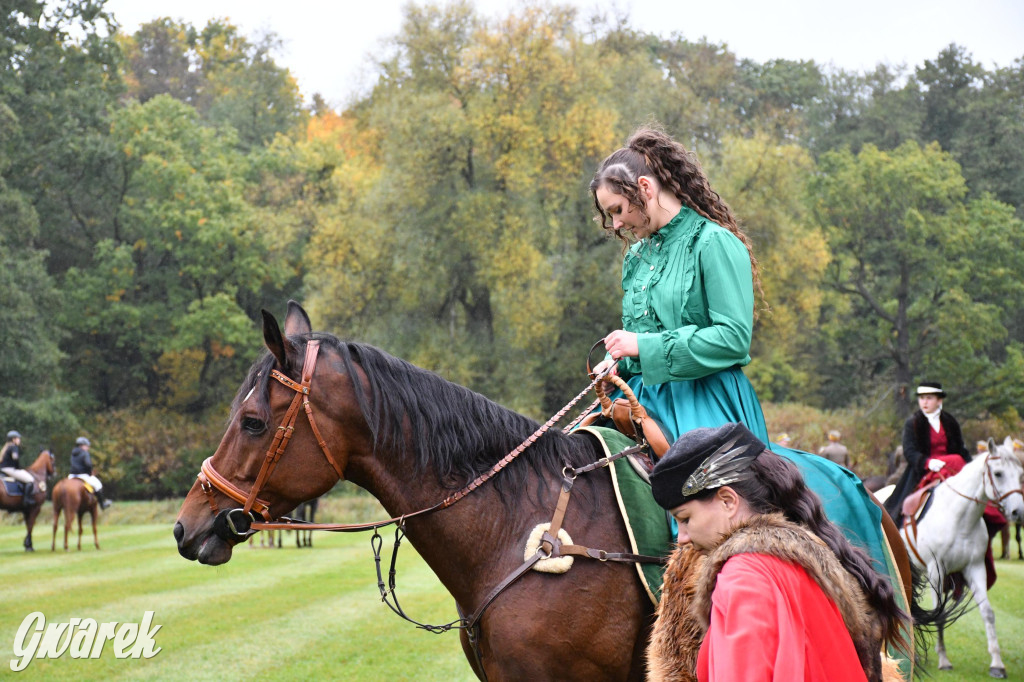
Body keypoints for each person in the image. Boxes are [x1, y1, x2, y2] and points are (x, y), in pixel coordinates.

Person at [588, 126, 903, 583]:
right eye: (608, 216)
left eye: (617, 211)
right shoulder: (636, 259)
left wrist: (645, 346)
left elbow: (733, 338)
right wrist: (619, 360)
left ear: (645, 188)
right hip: (640, 395)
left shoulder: (714, 243)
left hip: (708, 401)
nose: (615, 225)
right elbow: (642, 341)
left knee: (714, 514)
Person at [646, 422, 909, 682]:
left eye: (685, 518)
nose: (682, 539)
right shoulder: (801, 561)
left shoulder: (743, 578)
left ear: (728, 501)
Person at [883, 382, 970, 525]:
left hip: (953, 468)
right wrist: (927, 462)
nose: (924, 402)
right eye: (921, 398)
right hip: (923, 471)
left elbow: (961, 449)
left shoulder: (950, 421)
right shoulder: (913, 422)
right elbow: (909, 451)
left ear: (939, 400)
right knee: (898, 508)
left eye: (929, 398)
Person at [69, 437, 112, 509]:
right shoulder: (85, 453)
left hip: (71, 476)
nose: (88, 447)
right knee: (98, 485)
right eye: (87, 446)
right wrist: (90, 472)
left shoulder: (73, 453)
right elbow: (88, 464)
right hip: (83, 475)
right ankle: (102, 504)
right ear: (82, 445)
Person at [0, 430, 37, 506]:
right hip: (10, 469)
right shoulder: (14, 447)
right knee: (30, 480)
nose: (19, 440)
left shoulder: (6, 447)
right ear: (13, 439)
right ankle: (27, 500)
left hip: (3, 469)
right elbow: (15, 458)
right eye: (18, 438)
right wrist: (19, 468)